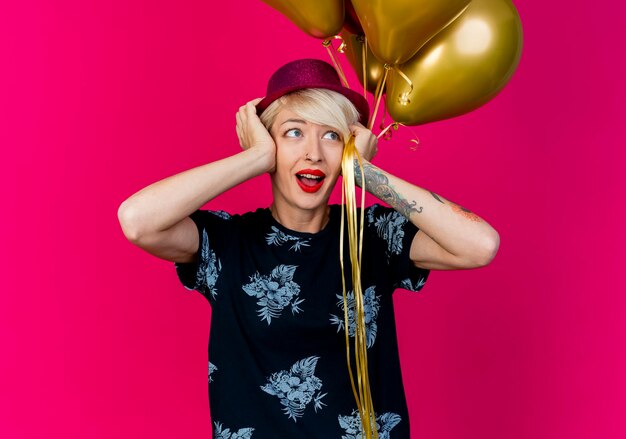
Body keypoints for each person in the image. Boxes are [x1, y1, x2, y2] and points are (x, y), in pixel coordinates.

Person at [118, 58, 500, 439]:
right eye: (293, 133)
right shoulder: (227, 242)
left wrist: (365, 172)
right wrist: (254, 158)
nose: (314, 153)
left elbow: (480, 245)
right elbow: (137, 220)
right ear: (269, 144)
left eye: (331, 135)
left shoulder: (374, 235)